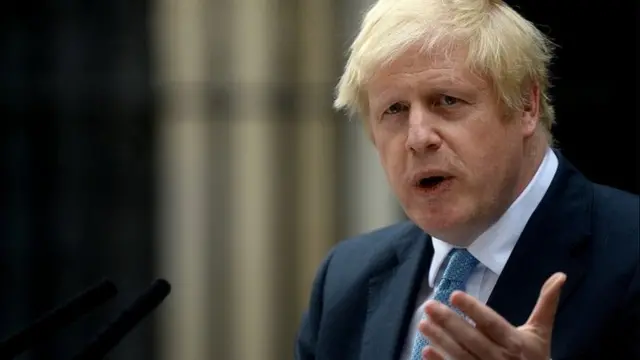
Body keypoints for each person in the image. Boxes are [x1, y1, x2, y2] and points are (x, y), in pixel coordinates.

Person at [294, 0, 639, 359]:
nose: (418, 137)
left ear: (526, 106)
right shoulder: (345, 278)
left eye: (446, 100)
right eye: (394, 110)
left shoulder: (629, 254)